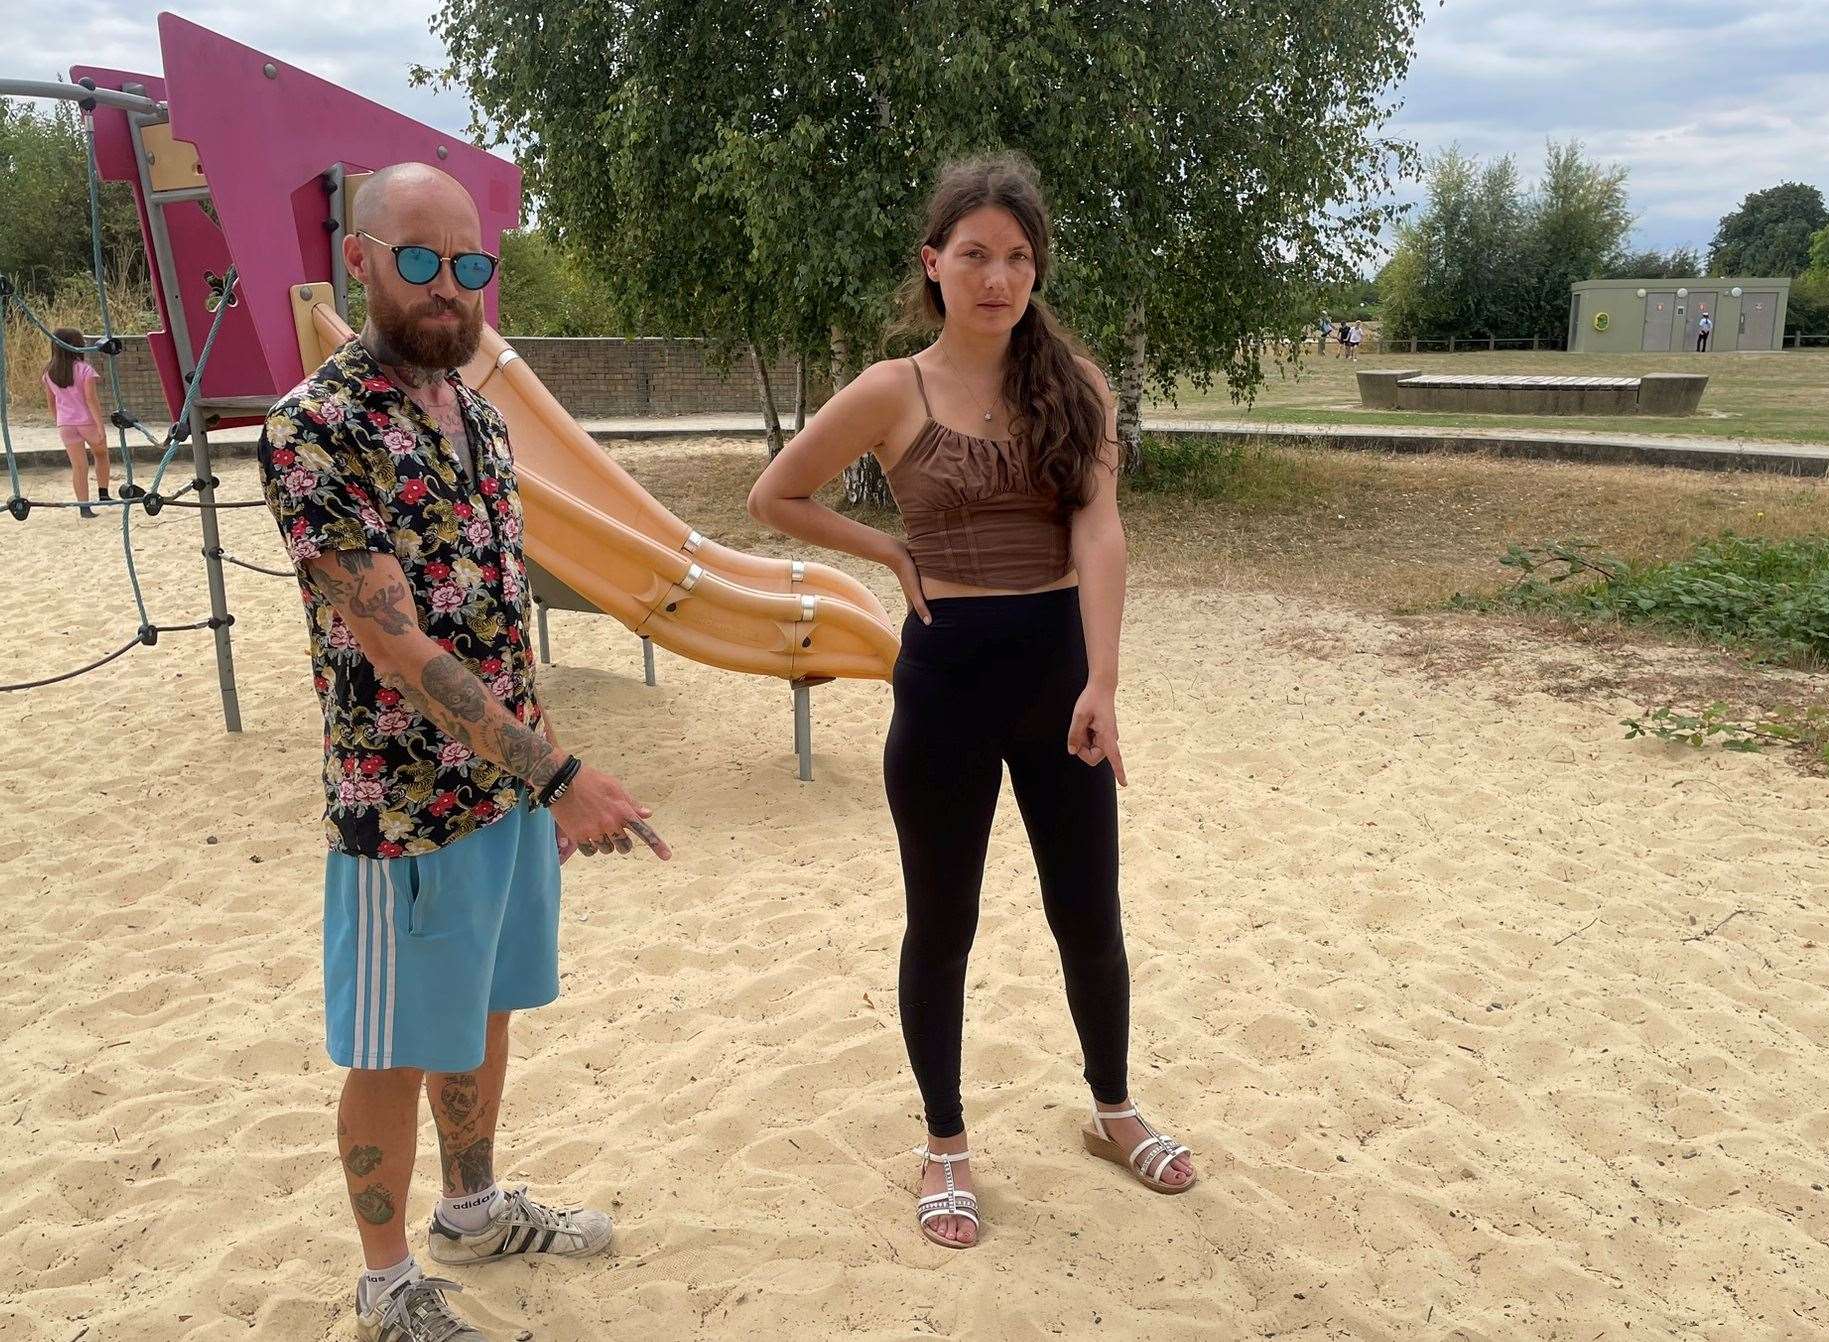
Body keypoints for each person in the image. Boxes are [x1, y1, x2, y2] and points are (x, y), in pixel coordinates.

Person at [748, 153, 1196, 1251]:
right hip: (945, 681)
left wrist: (1103, 678)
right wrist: (888, 553)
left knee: (1087, 915)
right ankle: (945, 1144)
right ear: (933, 263)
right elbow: (776, 495)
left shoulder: (1074, 383)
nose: (998, 277)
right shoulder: (889, 390)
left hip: (1058, 676)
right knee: (942, 922)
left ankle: (1111, 1107)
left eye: (1019, 257)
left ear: (1036, 270)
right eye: (975, 254)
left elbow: (1098, 530)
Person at [257, 162, 672, 1342]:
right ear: (361, 258)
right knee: (395, 1043)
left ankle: (476, 1211)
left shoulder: (480, 414)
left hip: (503, 801)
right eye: (423, 261)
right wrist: (557, 774)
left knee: (486, 1012)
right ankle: (387, 1284)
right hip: (401, 813)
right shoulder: (314, 429)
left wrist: (534, 782)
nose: (449, 288)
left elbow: (499, 626)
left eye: (472, 264)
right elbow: (397, 645)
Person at [42, 329, 111, 518]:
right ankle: (103, 494)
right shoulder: (84, 369)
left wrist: (59, 421)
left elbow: (51, 401)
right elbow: (91, 400)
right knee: (101, 453)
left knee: (79, 466)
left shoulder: (49, 372)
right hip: (86, 421)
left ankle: (84, 507)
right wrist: (100, 426)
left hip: (65, 423)